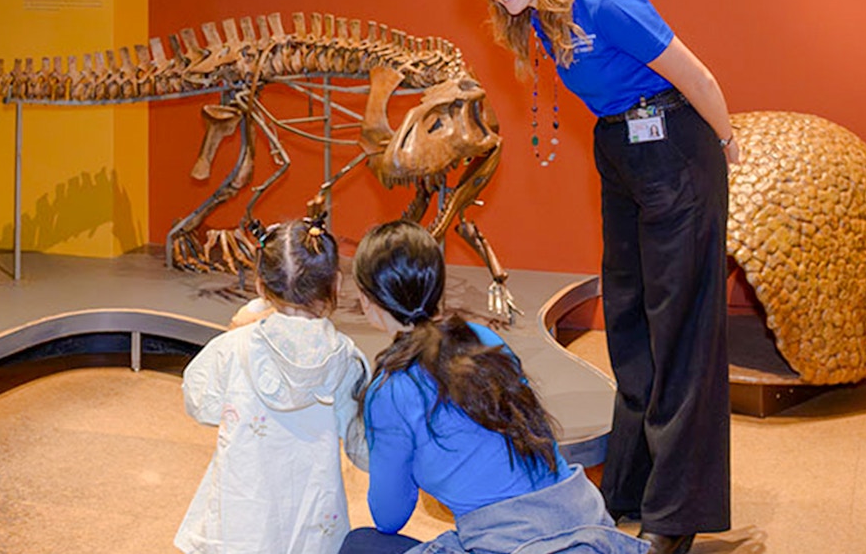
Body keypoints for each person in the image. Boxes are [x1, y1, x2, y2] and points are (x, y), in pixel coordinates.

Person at [456, 0, 735, 554]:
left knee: (682, 329)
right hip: (623, 151)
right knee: (632, 320)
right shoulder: (542, 16)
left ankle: (675, 516)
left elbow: (693, 73)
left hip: (675, 145)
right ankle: (632, 491)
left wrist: (726, 140)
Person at [338, 220, 649, 554]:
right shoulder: (483, 339)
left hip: (513, 544)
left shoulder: (391, 390)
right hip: (585, 525)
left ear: (368, 298)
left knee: (361, 544)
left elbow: (388, 517)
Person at [174, 215, 370, 554]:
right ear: (336, 285)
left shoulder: (234, 346)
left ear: (260, 286)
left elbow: (199, 404)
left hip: (242, 513)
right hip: (314, 514)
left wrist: (236, 329)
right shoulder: (347, 360)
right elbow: (362, 447)